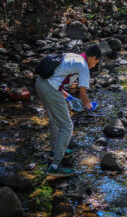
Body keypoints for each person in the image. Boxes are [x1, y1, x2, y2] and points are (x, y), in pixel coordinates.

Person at [36, 45, 101, 177]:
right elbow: (83, 94)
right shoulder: (83, 66)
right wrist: (90, 106)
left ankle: (55, 151)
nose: (93, 66)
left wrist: (70, 98)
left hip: (39, 83)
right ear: (94, 58)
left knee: (55, 120)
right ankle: (54, 167)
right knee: (67, 127)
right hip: (50, 89)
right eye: (95, 63)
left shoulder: (72, 56)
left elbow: (55, 79)